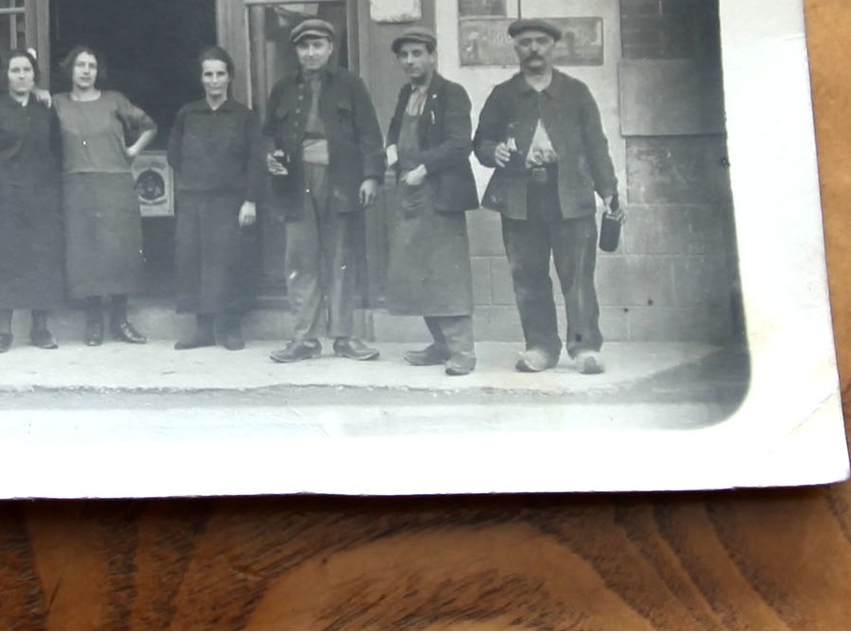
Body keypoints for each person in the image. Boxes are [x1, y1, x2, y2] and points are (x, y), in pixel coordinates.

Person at [473, 18, 624, 374]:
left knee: (578, 276)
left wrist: (609, 192)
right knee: (528, 275)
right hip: (520, 197)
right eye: (526, 43)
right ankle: (540, 346)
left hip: (570, 193)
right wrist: (491, 151)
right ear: (516, 49)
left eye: (541, 41)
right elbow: (481, 142)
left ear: (553, 47)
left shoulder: (577, 92)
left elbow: (596, 145)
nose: (534, 48)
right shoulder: (503, 95)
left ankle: (585, 348)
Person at [263, 18, 382, 363]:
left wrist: (372, 176)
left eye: (318, 46)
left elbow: (370, 136)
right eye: (304, 46)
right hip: (295, 181)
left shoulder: (350, 86)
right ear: (296, 51)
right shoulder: (283, 89)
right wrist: (269, 155)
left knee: (341, 257)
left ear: (330, 49)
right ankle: (305, 339)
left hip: (341, 180)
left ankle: (344, 338)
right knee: (300, 260)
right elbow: (268, 133)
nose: (311, 53)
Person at [383, 27, 480, 376]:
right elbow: (395, 130)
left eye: (417, 53)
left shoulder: (452, 94)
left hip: (440, 195)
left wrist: (423, 168)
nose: (410, 61)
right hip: (408, 192)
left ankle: (463, 352)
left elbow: (459, 144)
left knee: (445, 274)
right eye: (404, 55)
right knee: (418, 271)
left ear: (432, 56)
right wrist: (391, 150)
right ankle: (441, 345)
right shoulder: (404, 94)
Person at [52, 46, 157, 346]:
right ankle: (94, 321)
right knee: (86, 255)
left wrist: (132, 151)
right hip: (77, 185)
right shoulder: (57, 103)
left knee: (119, 253)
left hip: (115, 184)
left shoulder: (115, 100)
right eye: (80, 65)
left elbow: (149, 125)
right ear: (69, 70)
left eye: (92, 66)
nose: (86, 71)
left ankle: (120, 321)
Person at [165, 45, 263, 351]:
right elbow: (174, 155)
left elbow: (255, 160)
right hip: (194, 199)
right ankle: (203, 330)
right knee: (194, 262)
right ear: (201, 79)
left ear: (230, 78)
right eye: (209, 74)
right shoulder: (188, 114)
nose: (215, 80)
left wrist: (250, 200)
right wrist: (197, 178)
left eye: (220, 74)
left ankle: (230, 327)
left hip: (229, 201)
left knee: (228, 262)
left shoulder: (243, 115)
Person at [0, 49, 65, 353]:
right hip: (6, 196)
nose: (22, 76)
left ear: (34, 75)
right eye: (15, 70)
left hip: (42, 197)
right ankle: (4, 332)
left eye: (27, 70)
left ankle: (40, 329)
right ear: (6, 75)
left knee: (42, 260)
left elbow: (57, 150)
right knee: (6, 261)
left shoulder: (45, 109)